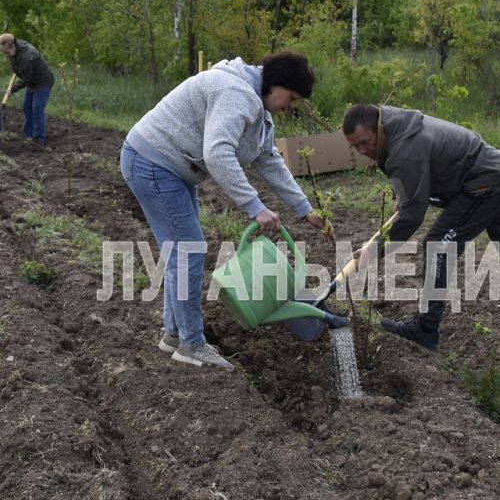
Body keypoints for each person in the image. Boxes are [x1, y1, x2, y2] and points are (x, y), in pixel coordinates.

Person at [121, 51, 343, 371]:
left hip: (172, 168)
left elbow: (268, 160)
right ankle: (192, 344)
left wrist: (305, 209)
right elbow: (217, 153)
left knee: (182, 251)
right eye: (292, 97)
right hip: (153, 163)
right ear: (276, 84)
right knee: (188, 251)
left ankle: (174, 334)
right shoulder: (235, 93)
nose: (290, 105)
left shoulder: (258, 108)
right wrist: (256, 207)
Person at [342, 104, 500, 350]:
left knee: (437, 245)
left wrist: (374, 250)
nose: (362, 151)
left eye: (365, 142)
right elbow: (412, 175)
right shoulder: (399, 123)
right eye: (355, 147)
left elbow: (412, 215)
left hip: (484, 184)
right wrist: (401, 196)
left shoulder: (405, 149)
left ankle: (425, 329)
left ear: (377, 128)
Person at [0, 33, 54, 145]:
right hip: (32, 81)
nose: (6, 55)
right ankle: (29, 135)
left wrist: (12, 90)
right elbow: (21, 72)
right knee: (27, 107)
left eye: (6, 52)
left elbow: (27, 79)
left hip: (43, 82)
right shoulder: (15, 48)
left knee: (37, 110)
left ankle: (39, 139)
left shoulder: (26, 57)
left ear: (12, 46)